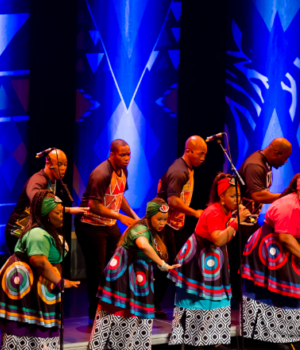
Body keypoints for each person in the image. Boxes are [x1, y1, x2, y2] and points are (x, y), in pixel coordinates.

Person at [241, 174, 300, 349]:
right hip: (273, 253)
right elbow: (286, 238)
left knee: (295, 296)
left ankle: (293, 333)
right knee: (273, 296)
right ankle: (272, 337)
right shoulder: (289, 206)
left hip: (293, 255)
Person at [0, 190, 81, 350]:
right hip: (26, 283)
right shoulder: (37, 233)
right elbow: (38, 261)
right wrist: (61, 282)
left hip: (36, 282)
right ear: (46, 213)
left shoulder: (47, 231)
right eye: (58, 212)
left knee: (35, 328)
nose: (62, 215)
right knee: (26, 328)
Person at [167, 174, 250, 348]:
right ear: (222, 196)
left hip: (212, 259)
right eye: (232, 196)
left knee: (217, 300)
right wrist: (235, 223)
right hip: (199, 259)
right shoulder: (214, 212)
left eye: (238, 196)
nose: (237, 200)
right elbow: (218, 239)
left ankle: (214, 342)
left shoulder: (227, 211)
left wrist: (235, 222)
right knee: (199, 300)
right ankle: (195, 341)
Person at [88, 198, 179, 350]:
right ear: (149, 217)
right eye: (159, 219)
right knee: (119, 315)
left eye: (165, 219)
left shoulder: (154, 232)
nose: (163, 223)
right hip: (122, 277)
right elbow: (143, 245)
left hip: (138, 279)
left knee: (139, 319)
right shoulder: (141, 228)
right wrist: (162, 264)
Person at [76, 139, 140, 323]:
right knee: (97, 271)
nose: (127, 158)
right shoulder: (101, 173)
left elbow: (119, 196)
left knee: (119, 263)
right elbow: (93, 205)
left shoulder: (123, 170)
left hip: (109, 224)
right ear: (112, 154)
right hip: (91, 225)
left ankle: (114, 307)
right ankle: (95, 314)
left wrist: (135, 218)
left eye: (128, 154)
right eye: (122, 154)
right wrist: (120, 217)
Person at [232, 137, 292, 302]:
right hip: (240, 221)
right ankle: (236, 298)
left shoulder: (265, 163)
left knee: (252, 257)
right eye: (285, 157)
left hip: (250, 220)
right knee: (238, 261)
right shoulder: (256, 165)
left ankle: (248, 294)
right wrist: (284, 196)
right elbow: (257, 195)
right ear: (276, 152)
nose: (286, 161)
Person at [153, 135, 207, 318]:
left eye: (205, 155)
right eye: (200, 154)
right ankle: (153, 304)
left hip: (177, 223)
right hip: (164, 223)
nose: (203, 158)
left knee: (188, 258)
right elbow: (173, 201)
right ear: (189, 151)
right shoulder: (179, 171)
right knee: (166, 264)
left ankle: (186, 303)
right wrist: (194, 212)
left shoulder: (190, 168)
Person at [5, 148, 88, 253]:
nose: (63, 168)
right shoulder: (38, 180)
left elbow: (48, 207)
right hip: (17, 231)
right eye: (59, 164)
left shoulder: (52, 180)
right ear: (49, 163)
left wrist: (71, 210)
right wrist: (68, 210)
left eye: (65, 164)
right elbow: (38, 202)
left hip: (30, 230)